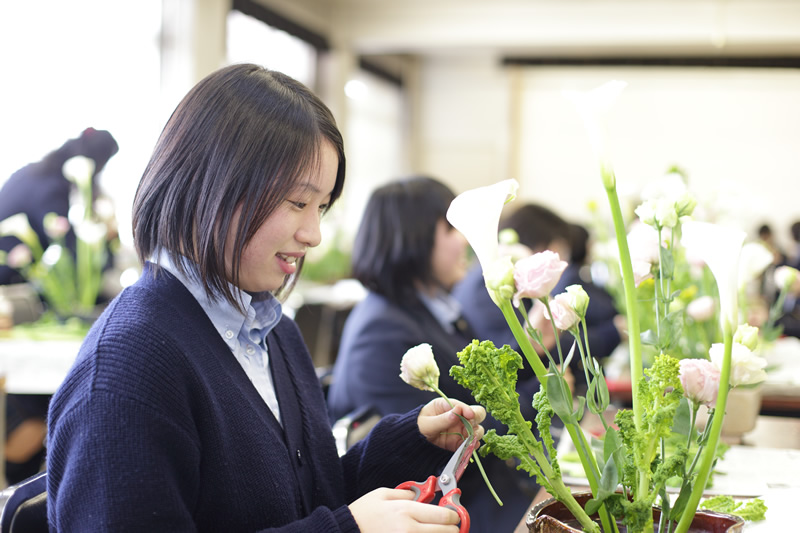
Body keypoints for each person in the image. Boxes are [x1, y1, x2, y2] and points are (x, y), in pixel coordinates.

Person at [46, 64, 486, 532]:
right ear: (210, 184)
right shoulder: (127, 369)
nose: (313, 233)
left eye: (321, 207)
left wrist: (408, 442)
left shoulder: (271, 329)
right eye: (297, 203)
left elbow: (305, 499)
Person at [327, 176, 537, 533]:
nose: (464, 244)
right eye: (452, 230)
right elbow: (439, 448)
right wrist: (538, 395)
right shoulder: (381, 331)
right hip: (454, 507)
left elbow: (478, 392)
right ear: (415, 237)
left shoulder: (429, 309)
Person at [1, 127, 119, 485]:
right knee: (50, 393)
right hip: (14, 295)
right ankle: (27, 473)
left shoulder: (37, 173)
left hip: (16, 291)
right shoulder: (50, 188)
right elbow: (64, 251)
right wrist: (109, 241)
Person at [0, 127, 119, 286]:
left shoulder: (36, 172)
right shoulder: (51, 188)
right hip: (8, 274)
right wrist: (103, 263)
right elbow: (64, 243)